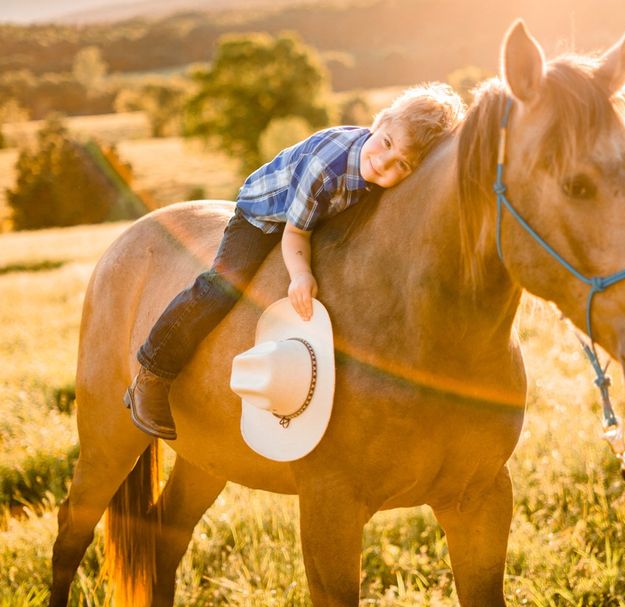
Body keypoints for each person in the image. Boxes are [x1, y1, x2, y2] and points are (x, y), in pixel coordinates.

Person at [124, 83, 465, 440]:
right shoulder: (326, 167)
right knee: (223, 286)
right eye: (387, 144)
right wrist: (300, 276)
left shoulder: (376, 169)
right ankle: (152, 373)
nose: (383, 163)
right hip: (268, 215)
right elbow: (295, 233)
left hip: (324, 213)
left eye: (402, 164)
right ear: (379, 123)